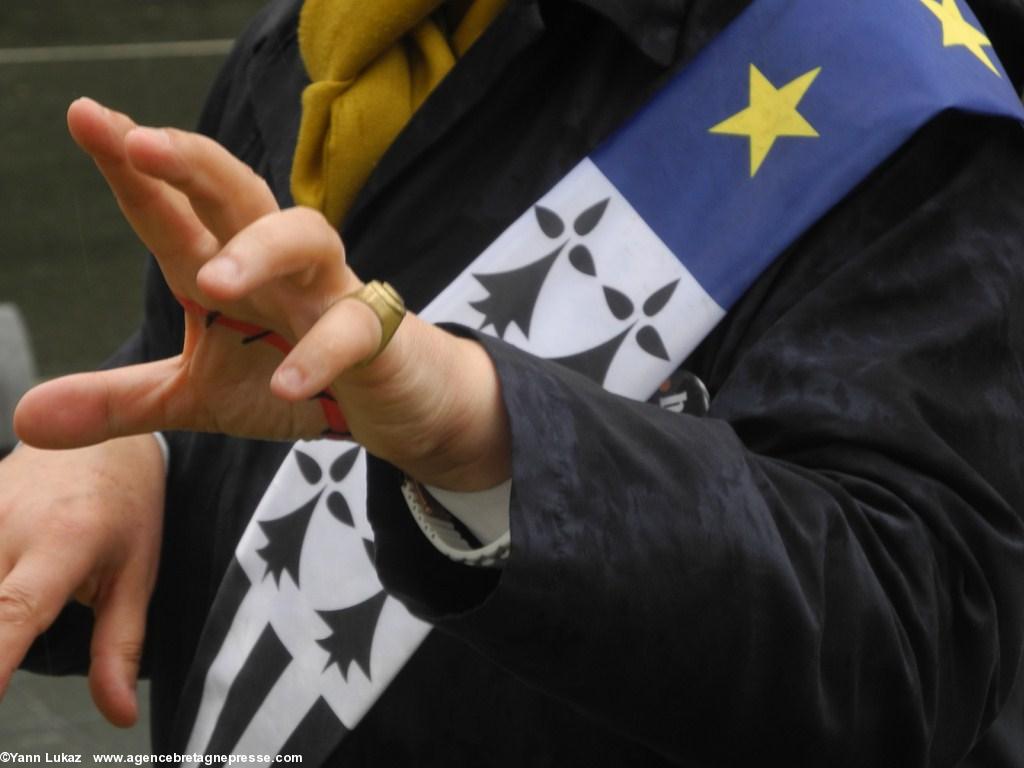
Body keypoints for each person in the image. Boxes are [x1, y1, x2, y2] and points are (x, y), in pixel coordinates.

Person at [2, 0, 1024, 764]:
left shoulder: (903, 112)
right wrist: (134, 464)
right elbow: (246, 421)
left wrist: (491, 442)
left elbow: (910, 653)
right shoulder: (324, 31)